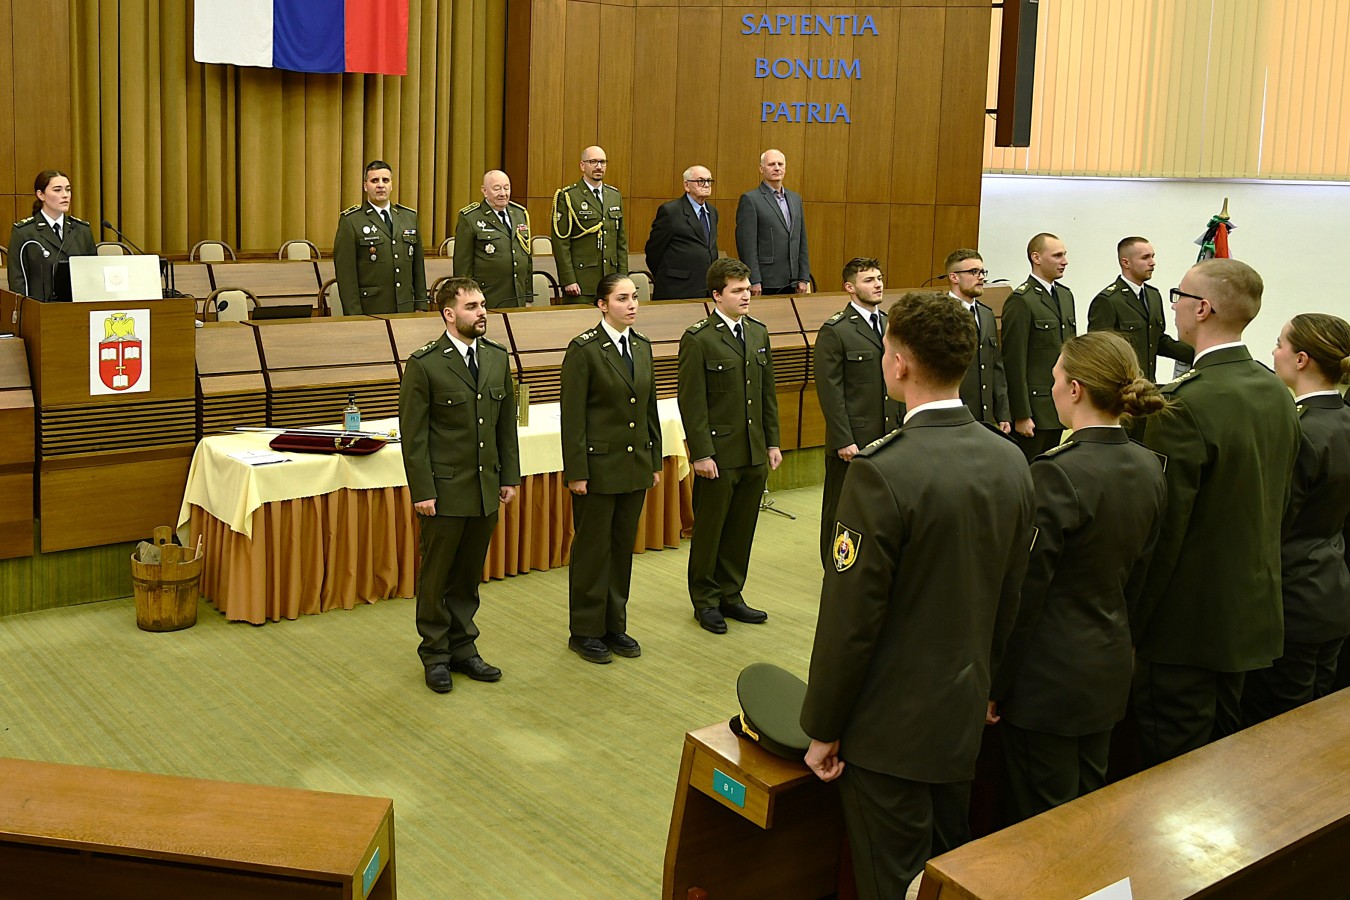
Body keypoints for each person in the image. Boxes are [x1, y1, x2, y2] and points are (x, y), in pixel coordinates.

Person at [801, 291, 1034, 899]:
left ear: (899, 363)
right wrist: (990, 685)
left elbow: (851, 620)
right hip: (963, 712)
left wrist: (823, 725)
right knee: (947, 875)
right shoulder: (1010, 459)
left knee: (892, 883)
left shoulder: (881, 470)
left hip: (890, 730)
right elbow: (1011, 595)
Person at [989, 331, 1168, 824]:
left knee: (1041, 824)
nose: (1051, 389)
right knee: (1090, 816)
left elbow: (1025, 593)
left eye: (1055, 379)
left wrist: (995, 682)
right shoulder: (1149, 466)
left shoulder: (1056, 473)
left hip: (1047, 680)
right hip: (1107, 666)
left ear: (1075, 389)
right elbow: (1142, 578)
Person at [1133, 258, 1300, 765]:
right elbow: (1281, 503)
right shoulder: (1274, 390)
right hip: (1250, 616)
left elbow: (1164, 532)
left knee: (1173, 774)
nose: (1174, 306)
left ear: (1202, 309)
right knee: (1224, 766)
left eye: (1179, 296)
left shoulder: (1184, 403)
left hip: (1185, 629)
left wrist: (1134, 623)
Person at [399, 276, 521, 693]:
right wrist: (423, 491)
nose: (482, 312)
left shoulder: (495, 357)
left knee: (468, 575)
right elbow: (414, 436)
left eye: (483, 304)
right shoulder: (425, 363)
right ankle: (435, 653)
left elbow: (505, 426)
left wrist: (509, 476)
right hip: (445, 490)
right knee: (437, 576)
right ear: (449, 314)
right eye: (472, 306)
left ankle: (463, 647)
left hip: (485, 487)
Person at [1241, 314, 1350, 725]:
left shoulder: (1301, 431)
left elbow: (1275, 523)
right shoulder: (1343, 419)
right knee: (1318, 730)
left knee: (1280, 729)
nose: (1274, 353)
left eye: (1279, 344)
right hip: (1332, 592)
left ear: (1301, 359)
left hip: (1291, 603)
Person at [560, 274, 663, 664]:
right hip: (598, 467)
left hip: (633, 464)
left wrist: (653, 461)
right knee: (593, 550)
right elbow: (573, 417)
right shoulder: (584, 350)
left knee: (621, 548)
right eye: (622, 298)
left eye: (634, 297)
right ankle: (585, 630)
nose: (632, 304)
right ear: (602, 305)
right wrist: (577, 471)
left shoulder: (642, 345)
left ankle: (614, 624)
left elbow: (649, 409)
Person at [677, 257, 782, 634]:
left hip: (753, 449)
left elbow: (766, 393)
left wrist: (772, 442)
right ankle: (705, 600)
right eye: (737, 290)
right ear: (716, 295)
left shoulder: (758, 333)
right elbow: (692, 402)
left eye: (747, 289)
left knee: (741, 528)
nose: (746, 296)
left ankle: (731, 594)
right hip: (719, 453)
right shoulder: (699, 338)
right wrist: (702, 452)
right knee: (710, 531)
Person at [812, 257, 902, 568]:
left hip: (890, 435)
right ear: (850, 287)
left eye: (879, 278)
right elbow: (830, 392)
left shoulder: (891, 324)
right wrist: (843, 439)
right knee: (841, 509)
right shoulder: (836, 330)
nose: (878, 285)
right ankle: (834, 570)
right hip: (854, 440)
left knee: (883, 508)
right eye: (869, 280)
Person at [1001, 233, 1077, 460]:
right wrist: (1021, 414)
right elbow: (1014, 361)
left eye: (1064, 255)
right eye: (1057, 255)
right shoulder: (1022, 300)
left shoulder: (1065, 295)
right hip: (1035, 411)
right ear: (1036, 258)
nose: (1064, 261)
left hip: (1059, 406)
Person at [1087, 237, 1194, 382]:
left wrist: (1198, 354)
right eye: (1145, 258)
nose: (1152, 262)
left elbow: (1158, 341)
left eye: (1153, 256)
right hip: (1123, 387)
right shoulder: (1108, 301)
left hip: (1148, 385)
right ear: (1126, 263)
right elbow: (1099, 352)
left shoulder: (1153, 295)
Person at [333, 160, 428, 315]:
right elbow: (346, 276)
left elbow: (418, 267)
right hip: (371, 310)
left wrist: (421, 305)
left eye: (385, 180)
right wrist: (355, 316)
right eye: (374, 181)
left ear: (391, 185)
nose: (380, 185)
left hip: (406, 309)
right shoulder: (351, 221)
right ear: (365, 186)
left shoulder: (409, 217)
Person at [944, 249, 1011, 432]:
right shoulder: (940, 313)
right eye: (973, 272)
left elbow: (995, 366)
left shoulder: (986, 314)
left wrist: (1003, 412)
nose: (981, 277)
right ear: (954, 277)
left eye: (982, 272)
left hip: (985, 417)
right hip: (954, 416)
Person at [552, 146, 627, 303]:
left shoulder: (614, 195)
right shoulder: (568, 196)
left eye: (602, 162)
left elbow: (620, 242)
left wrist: (623, 278)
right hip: (581, 282)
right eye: (593, 162)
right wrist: (568, 279)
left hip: (610, 280)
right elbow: (561, 243)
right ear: (582, 165)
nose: (599, 166)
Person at [7, 169, 96, 300]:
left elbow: (92, 275)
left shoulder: (82, 230)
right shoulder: (24, 232)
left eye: (68, 190)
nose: (65, 195)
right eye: (57, 190)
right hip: (39, 308)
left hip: (77, 307)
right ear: (41, 195)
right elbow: (17, 281)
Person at [734, 149, 810, 296]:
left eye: (780, 164)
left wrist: (803, 277)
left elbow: (802, 240)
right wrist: (753, 279)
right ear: (761, 169)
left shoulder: (795, 199)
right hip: (765, 280)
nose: (777, 168)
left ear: (785, 168)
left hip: (793, 280)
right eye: (771, 164)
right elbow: (747, 245)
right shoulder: (751, 199)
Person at [453, 170, 532, 308]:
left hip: (518, 296)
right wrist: (468, 301)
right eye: (497, 188)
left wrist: (528, 296)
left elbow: (526, 258)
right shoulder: (470, 217)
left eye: (506, 188)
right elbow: (463, 265)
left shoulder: (520, 213)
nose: (503, 193)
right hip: (487, 297)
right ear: (484, 191)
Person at [644, 166, 718, 301]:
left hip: (707, 289)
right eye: (701, 181)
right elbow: (653, 251)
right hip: (677, 289)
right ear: (686, 185)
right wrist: (667, 275)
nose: (707, 185)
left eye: (709, 181)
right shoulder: (671, 211)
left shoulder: (712, 212)